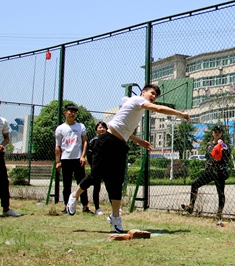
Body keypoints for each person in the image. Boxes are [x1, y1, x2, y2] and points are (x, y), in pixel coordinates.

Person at [66, 84, 190, 233]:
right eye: (152, 93)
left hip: (119, 145)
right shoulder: (137, 100)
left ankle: (115, 217)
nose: (154, 97)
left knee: (117, 182)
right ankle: (74, 196)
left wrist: (139, 141)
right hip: (106, 140)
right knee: (96, 175)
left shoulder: (137, 108)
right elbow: (158, 109)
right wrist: (180, 114)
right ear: (143, 93)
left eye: (156, 96)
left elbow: (124, 129)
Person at [181, 125, 230, 220]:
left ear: (221, 134)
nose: (217, 133)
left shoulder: (223, 145)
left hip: (219, 172)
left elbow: (227, 156)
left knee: (220, 193)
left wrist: (223, 148)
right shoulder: (209, 144)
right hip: (210, 171)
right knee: (194, 185)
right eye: (215, 131)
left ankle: (219, 213)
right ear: (212, 133)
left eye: (219, 132)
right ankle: (191, 206)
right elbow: (207, 157)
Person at [55, 104, 92, 214]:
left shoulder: (80, 126)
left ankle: (85, 206)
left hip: (78, 159)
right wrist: (58, 161)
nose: (72, 113)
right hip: (66, 159)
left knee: (82, 183)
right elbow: (57, 146)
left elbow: (85, 141)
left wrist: (83, 156)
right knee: (67, 184)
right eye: (70, 111)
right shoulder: (60, 128)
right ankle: (67, 206)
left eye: (74, 112)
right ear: (65, 113)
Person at [86, 122, 108, 215]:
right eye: (100, 127)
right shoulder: (93, 141)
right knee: (96, 187)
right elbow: (89, 155)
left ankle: (115, 207)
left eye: (103, 127)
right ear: (96, 130)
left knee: (110, 187)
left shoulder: (109, 140)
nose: (102, 129)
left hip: (107, 168)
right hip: (97, 168)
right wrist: (93, 166)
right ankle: (97, 208)